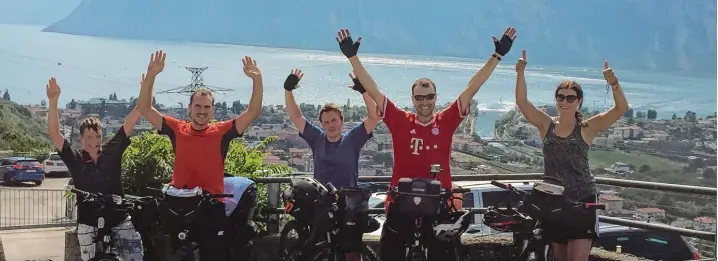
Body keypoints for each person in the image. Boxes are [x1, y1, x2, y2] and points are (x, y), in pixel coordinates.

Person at [337, 26, 517, 261]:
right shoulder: (400, 119)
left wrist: (497, 56)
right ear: (412, 99)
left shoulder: (446, 121)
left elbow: (473, 86)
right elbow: (373, 88)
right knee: (391, 253)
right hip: (401, 202)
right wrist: (352, 57)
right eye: (420, 97)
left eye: (429, 96)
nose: (425, 102)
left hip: (440, 203)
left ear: (436, 97)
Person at [135, 50, 264, 261]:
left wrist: (257, 80)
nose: (202, 111)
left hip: (211, 208)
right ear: (189, 108)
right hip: (180, 208)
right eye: (197, 106)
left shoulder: (221, 131)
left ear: (212, 110)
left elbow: (253, 111)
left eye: (206, 107)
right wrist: (151, 75)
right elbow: (145, 108)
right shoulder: (177, 129)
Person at [513, 50, 628, 261]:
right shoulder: (546, 124)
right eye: (560, 97)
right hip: (554, 203)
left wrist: (614, 83)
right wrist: (520, 72)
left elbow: (621, 108)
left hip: (582, 202)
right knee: (559, 257)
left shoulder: (586, 127)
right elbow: (522, 102)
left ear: (579, 101)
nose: (564, 101)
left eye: (570, 97)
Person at [283, 69, 379, 261]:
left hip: (347, 204)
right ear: (322, 124)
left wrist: (363, 91)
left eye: (334, 120)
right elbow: (297, 117)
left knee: (351, 252)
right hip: (321, 203)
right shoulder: (317, 139)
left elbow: (374, 116)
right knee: (318, 251)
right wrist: (288, 90)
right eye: (326, 122)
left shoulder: (352, 139)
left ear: (342, 121)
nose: (330, 124)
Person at [46, 77, 144, 261]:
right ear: (81, 138)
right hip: (89, 223)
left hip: (119, 218)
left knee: (135, 256)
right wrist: (53, 101)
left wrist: (145, 88)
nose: (94, 142)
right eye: (89, 137)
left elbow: (130, 121)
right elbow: (54, 133)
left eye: (97, 137)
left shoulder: (111, 152)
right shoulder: (75, 159)